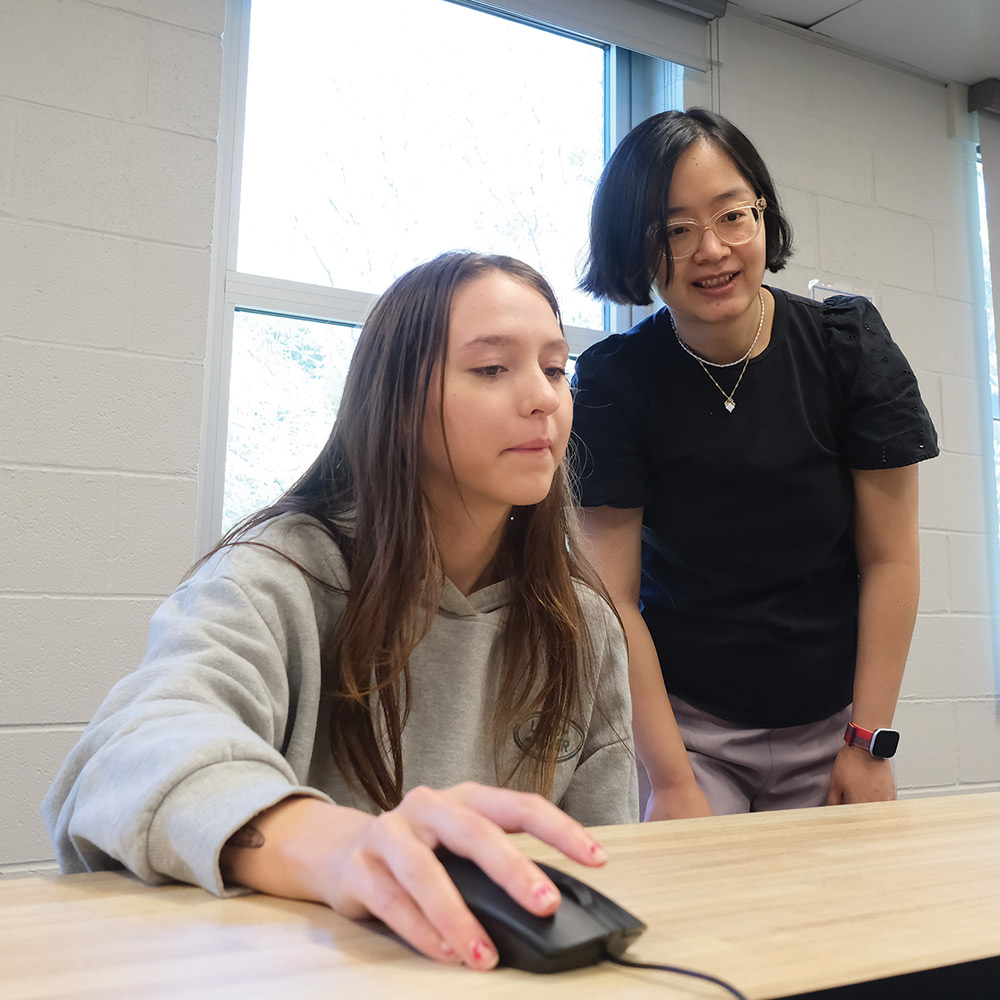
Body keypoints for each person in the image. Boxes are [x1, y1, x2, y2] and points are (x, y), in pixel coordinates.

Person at [43, 251, 637, 971]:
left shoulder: (581, 624)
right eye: (490, 369)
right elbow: (121, 759)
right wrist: (340, 845)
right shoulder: (279, 575)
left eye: (554, 368)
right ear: (396, 400)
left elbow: (609, 867)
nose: (544, 398)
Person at [572, 108, 938, 821]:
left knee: (836, 923)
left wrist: (869, 745)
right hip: (690, 734)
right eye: (673, 230)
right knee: (704, 925)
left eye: (732, 215)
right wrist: (670, 779)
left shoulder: (847, 348)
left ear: (763, 216)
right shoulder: (616, 383)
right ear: (633, 248)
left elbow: (891, 557)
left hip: (836, 724)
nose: (711, 249)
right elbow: (613, 598)